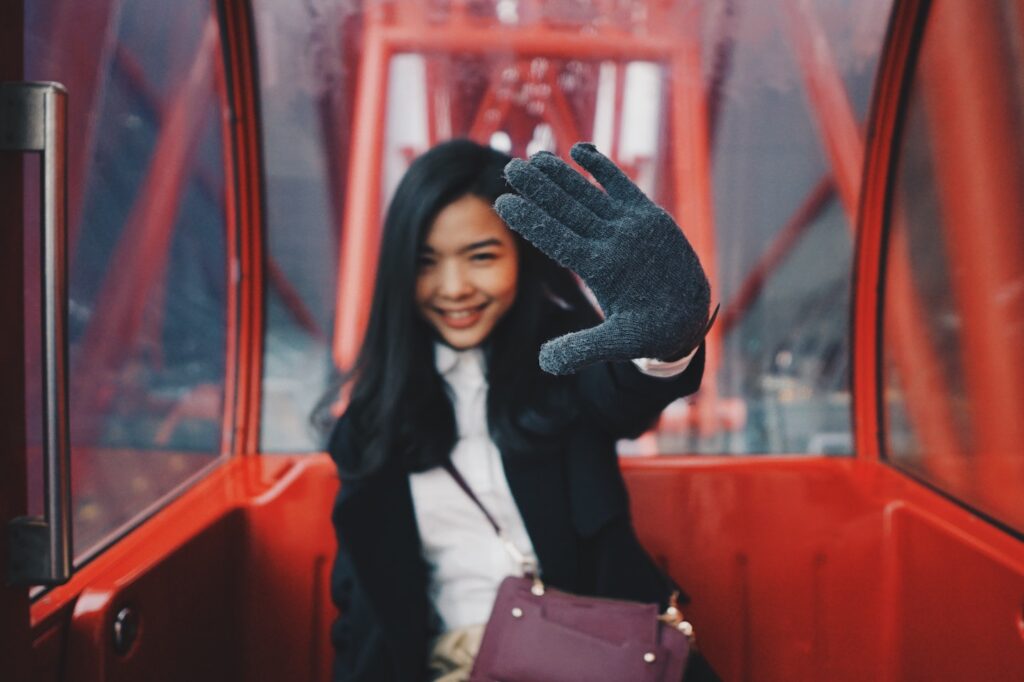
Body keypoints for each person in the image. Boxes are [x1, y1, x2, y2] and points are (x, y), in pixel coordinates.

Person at [328, 139, 718, 681]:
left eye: (481, 255)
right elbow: (361, 607)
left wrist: (668, 340)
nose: (454, 288)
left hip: (588, 657)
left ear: (521, 253)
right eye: (426, 262)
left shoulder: (567, 365)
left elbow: (624, 393)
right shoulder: (368, 427)